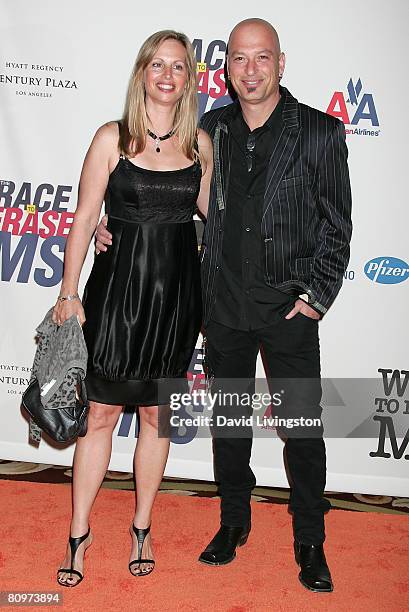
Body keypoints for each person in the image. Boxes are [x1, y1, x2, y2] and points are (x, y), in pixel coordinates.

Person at [96, 18, 352, 593]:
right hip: (223, 308)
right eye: (239, 58)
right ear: (227, 66)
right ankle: (233, 521)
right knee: (231, 427)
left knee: (301, 429)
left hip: (289, 311)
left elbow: (338, 228)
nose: (251, 69)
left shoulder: (318, 132)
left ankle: (309, 537)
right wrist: (106, 228)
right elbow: (163, 194)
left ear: (281, 63)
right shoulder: (207, 129)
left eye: (262, 58)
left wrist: (316, 298)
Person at [53, 29, 212, 587]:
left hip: (176, 302)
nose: (167, 75)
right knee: (98, 414)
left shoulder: (201, 145)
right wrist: (69, 293)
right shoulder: (111, 139)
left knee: (156, 415)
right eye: (157, 65)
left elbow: (211, 221)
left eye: (178, 66)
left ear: (189, 78)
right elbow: (80, 221)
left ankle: (141, 525)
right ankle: (78, 531)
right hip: (117, 296)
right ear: (142, 72)